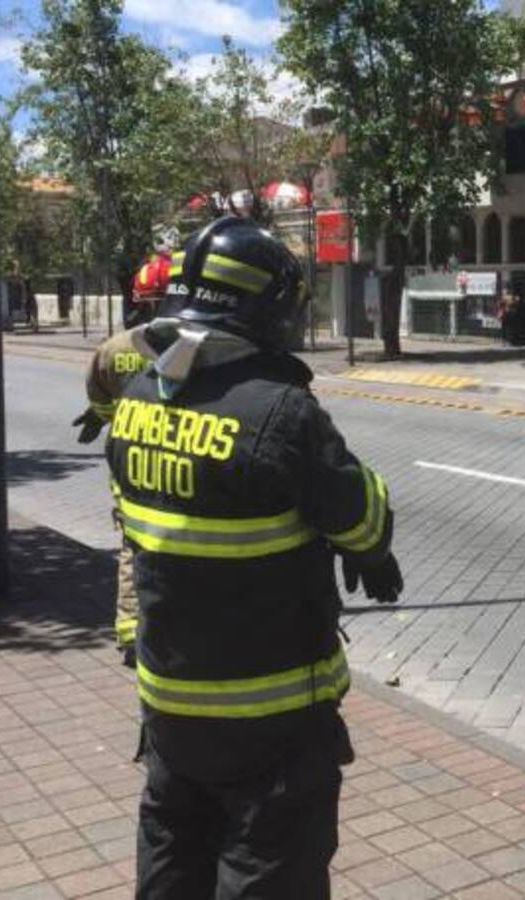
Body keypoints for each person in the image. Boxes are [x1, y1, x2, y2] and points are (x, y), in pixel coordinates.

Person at [105, 217, 402, 899]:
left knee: (174, 860)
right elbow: (365, 517)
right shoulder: (281, 411)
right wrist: (365, 548)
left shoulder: (137, 400)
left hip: (169, 702)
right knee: (271, 871)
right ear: (265, 311)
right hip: (272, 715)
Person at [73, 251, 171, 666]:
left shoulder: (113, 349)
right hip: (179, 454)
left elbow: (98, 398)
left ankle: (131, 633)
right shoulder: (191, 345)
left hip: (129, 460)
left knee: (133, 542)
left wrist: (111, 418)